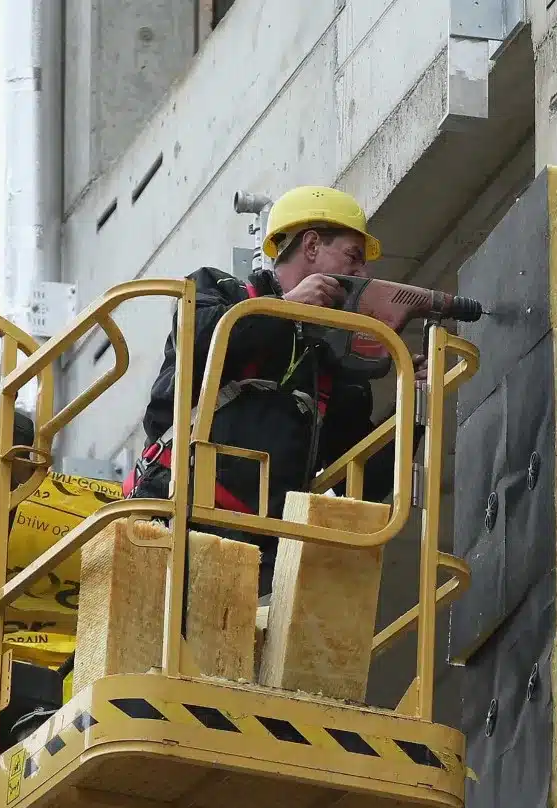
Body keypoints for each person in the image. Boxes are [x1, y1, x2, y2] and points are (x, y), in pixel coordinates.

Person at [124, 185, 396, 591]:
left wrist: (412, 411)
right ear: (311, 245)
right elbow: (202, 342)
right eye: (353, 257)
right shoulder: (221, 294)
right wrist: (285, 306)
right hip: (173, 511)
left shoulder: (325, 366)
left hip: (254, 549)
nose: (362, 274)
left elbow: (362, 480)